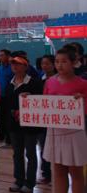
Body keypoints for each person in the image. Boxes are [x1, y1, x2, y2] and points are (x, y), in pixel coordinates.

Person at [42, 48, 87, 193]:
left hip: (73, 132)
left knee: (75, 171)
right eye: (57, 61)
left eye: (64, 61)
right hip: (55, 131)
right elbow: (44, 104)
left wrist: (81, 101)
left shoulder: (82, 84)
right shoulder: (50, 82)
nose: (60, 65)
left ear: (74, 63)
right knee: (58, 170)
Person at [5, 55, 43, 193]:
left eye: (18, 64)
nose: (15, 66)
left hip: (30, 125)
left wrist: (32, 98)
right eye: (13, 64)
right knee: (17, 153)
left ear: (25, 66)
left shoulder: (34, 83)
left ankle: (30, 182)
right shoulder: (10, 83)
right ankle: (18, 180)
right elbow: (7, 103)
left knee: (31, 153)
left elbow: (41, 102)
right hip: (14, 124)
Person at [37, 54, 57, 183]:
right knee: (44, 146)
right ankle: (46, 174)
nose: (44, 66)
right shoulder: (40, 79)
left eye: (47, 63)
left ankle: (58, 175)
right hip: (43, 119)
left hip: (56, 119)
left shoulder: (58, 80)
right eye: (43, 63)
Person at [0, 49, 14, 145]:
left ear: (8, 56)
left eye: (2, 55)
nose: (0, 57)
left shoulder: (12, 67)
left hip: (9, 96)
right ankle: (0, 136)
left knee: (8, 118)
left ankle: (9, 139)